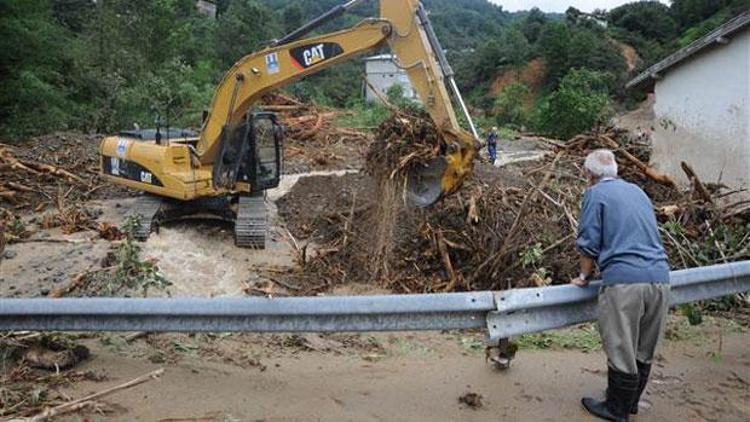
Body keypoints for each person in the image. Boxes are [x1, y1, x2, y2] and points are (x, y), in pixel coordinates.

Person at [571, 149, 670, 422]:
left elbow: (589, 241)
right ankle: (631, 404)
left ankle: (616, 410)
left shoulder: (594, 194)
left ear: (589, 175)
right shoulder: (638, 192)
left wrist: (583, 277)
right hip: (660, 279)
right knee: (643, 348)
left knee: (621, 346)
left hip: (625, 282)